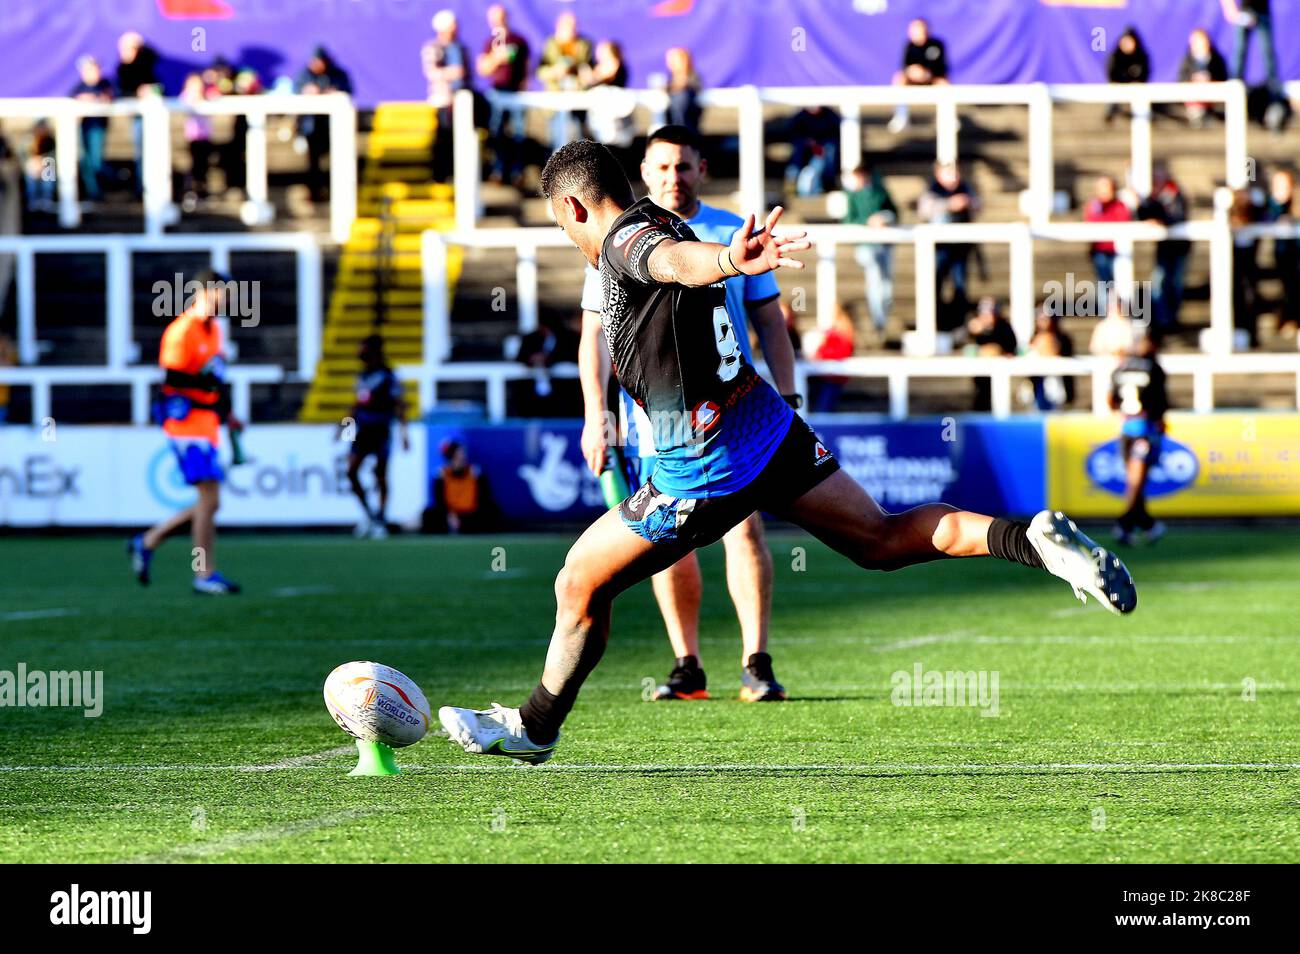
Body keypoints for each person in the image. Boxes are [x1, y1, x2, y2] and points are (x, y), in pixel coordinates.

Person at [437, 138, 1138, 765]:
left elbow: (674, 263)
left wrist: (723, 260)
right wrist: (722, 260)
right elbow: (680, 265)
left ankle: (536, 726)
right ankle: (1031, 540)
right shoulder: (664, 222)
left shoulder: (629, 240)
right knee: (882, 538)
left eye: (562, 224)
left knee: (578, 582)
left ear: (572, 206)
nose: (568, 237)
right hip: (765, 426)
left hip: (703, 462)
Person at [577, 125, 800, 702]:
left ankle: (756, 660)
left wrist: (790, 393)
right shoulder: (615, 239)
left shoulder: (733, 230)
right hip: (657, 417)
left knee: (744, 528)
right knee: (663, 540)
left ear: (702, 169)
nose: (673, 177)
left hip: (730, 410)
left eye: (683, 166)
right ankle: (687, 664)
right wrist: (594, 414)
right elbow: (594, 336)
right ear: (644, 174)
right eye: (662, 168)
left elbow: (770, 321)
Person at [127, 270, 243, 594]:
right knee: (210, 499)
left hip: (207, 424)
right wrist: (205, 386)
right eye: (225, 293)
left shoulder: (213, 330)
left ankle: (148, 540)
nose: (229, 300)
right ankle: (203, 573)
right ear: (206, 292)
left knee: (210, 502)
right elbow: (173, 379)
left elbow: (214, 380)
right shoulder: (182, 330)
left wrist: (227, 413)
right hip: (186, 425)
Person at [338, 335, 409, 539]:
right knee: (351, 472)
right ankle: (370, 514)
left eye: (363, 347)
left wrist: (404, 434)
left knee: (380, 475)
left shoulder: (388, 375)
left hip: (381, 430)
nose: (359, 351)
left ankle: (381, 519)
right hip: (363, 431)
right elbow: (357, 404)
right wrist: (344, 427)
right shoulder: (362, 376)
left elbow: (399, 405)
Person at [1109, 333, 1169, 546]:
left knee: (1135, 482)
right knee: (1136, 483)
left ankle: (1146, 525)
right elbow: (1161, 401)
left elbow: (1112, 400)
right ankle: (1125, 524)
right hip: (1144, 429)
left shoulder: (1120, 368)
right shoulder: (1153, 368)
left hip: (1126, 428)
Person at [919, 160, 980, 329]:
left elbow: (978, 206)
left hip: (960, 247)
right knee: (935, 284)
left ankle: (958, 323)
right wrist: (949, 205)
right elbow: (924, 209)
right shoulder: (932, 191)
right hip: (940, 247)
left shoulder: (966, 189)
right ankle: (936, 321)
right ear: (939, 174)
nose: (954, 177)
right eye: (949, 173)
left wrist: (968, 202)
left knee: (960, 285)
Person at [843, 162, 898, 338]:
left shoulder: (880, 192)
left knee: (887, 285)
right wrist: (867, 222)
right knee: (875, 281)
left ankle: (883, 319)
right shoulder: (853, 196)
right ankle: (878, 321)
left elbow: (894, 212)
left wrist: (883, 218)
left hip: (884, 244)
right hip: (866, 244)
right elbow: (848, 221)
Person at [476, 4, 530, 186]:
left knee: (518, 133)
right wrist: (496, 58)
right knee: (496, 132)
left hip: (516, 93)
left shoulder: (518, 40)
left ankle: (518, 173)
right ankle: (498, 171)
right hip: (498, 92)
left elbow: (526, 68)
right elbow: (483, 69)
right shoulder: (489, 43)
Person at [1137, 164, 1190, 332]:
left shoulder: (1174, 195)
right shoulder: (1154, 196)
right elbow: (1143, 213)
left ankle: (1169, 319)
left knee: (1174, 283)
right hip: (1165, 248)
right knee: (1160, 282)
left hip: (1179, 247)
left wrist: (1162, 221)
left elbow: (1177, 217)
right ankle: (1162, 319)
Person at [296, 45, 352, 201]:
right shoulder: (305, 75)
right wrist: (306, 91)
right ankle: (315, 192)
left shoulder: (337, 74)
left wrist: (332, 91)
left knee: (336, 160)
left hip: (332, 126)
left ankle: (335, 192)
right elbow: (297, 90)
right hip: (311, 125)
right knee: (313, 161)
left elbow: (348, 91)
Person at [424, 11, 469, 184]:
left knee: (457, 137)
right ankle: (439, 175)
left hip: (461, 101)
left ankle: (455, 173)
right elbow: (432, 72)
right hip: (443, 99)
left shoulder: (460, 48)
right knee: (443, 136)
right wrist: (453, 73)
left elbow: (465, 74)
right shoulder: (434, 48)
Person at [114, 32, 161, 197]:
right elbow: (122, 91)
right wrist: (136, 93)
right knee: (141, 151)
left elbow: (159, 88)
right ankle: (142, 188)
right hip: (137, 117)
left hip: (154, 117)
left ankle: (153, 188)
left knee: (153, 152)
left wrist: (150, 91)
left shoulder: (148, 65)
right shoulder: (122, 69)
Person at [537, 12, 593, 148]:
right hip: (556, 101)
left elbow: (588, 71)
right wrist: (555, 72)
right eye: (568, 26)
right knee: (557, 141)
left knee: (578, 140)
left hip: (577, 101)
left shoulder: (584, 44)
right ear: (558, 26)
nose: (572, 29)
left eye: (574, 26)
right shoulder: (550, 45)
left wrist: (579, 80)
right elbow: (541, 71)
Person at [955, 296, 1017, 411]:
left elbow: (1011, 347)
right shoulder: (973, 327)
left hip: (999, 373)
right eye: (983, 314)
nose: (986, 317)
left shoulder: (1004, 327)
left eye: (989, 313)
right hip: (980, 375)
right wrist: (969, 332)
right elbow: (957, 345)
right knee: (981, 397)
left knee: (996, 399)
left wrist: (996, 350)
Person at [888, 18, 949, 134]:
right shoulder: (909, 46)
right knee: (899, 79)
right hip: (913, 80)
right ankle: (901, 116)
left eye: (918, 29)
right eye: (913, 29)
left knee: (943, 83)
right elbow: (905, 67)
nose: (915, 32)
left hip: (932, 79)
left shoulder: (937, 45)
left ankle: (946, 117)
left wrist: (927, 74)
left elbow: (942, 67)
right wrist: (913, 72)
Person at [1084, 174, 1131, 314]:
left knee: (1121, 285)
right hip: (1100, 251)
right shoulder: (1094, 206)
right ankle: (1107, 315)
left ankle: (1121, 314)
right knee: (1104, 285)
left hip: (1118, 252)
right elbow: (1092, 224)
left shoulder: (1120, 206)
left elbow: (1123, 222)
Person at [71, 56, 112, 202]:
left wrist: (95, 98)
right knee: (86, 160)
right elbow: (71, 100)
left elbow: (111, 96)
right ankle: (93, 192)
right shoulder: (79, 86)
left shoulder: (105, 84)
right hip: (85, 127)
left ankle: (109, 182)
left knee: (96, 161)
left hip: (98, 127)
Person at [1265, 168, 1299, 337]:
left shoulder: (1297, 203)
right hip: (1284, 253)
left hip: (1297, 253)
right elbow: (1266, 218)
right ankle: (1288, 320)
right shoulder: (1272, 205)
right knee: (1288, 287)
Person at [1221, 0, 1280, 92]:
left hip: (1261, 11)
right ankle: (1234, 85)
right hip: (1244, 12)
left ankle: (1274, 88)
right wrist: (1230, 9)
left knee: (1267, 52)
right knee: (1239, 51)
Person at [807, 305, 856, 412]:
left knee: (823, 409)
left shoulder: (841, 334)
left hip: (833, 376)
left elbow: (840, 354)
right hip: (827, 376)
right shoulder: (835, 333)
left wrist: (821, 355)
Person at [784, 105, 840, 196]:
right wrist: (808, 141)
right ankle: (792, 181)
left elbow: (836, 129)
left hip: (822, 146)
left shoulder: (829, 115)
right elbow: (794, 132)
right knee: (797, 155)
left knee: (829, 151)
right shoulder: (800, 117)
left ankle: (829, 182)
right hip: (806, 146)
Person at [1026, 309, 1075, 411]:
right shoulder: (1033, 338)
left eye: (1046, 319)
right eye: (1040, 319)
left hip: (1055, 383)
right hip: (1037, 383)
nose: (1043, 322)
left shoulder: (1062, 338)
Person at [1229, 188, 1261, 346]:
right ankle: (1239, 333)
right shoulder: (1229, 217)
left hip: (1249, 263)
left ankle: (1252, 335)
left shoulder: (1256, 214)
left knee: (1250, 296)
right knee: (1236, 297)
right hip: (1233, 265)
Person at [1179, 28, 1228, 127]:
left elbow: (1223, 78)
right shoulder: (1187, 61)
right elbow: (1182, 78)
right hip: (1193, 100)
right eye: (1196, 42)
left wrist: (1210, 79)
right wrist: (1193, 79)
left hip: (1213, 99)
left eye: (1202, 42)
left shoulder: (1216, 60)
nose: (1199, 45)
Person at [180, 72, 214, 209]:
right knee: (193, 166)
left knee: (203, 166)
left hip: (205, 138)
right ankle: (190, 192)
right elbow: (182, 103)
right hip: (192, 138)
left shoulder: (207, 96)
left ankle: (202, 191)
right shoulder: (185, 97)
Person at [1105, 27, 1150, 123]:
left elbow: (1144, 73)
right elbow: (1112, 73)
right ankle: (1111, 113)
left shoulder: (1141, 57)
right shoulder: (1116, 56)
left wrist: (1137, 81)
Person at [665, 47, 702, 133]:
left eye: (674, 60)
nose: (670, 63)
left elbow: (689, 86)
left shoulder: (693, 76)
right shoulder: (670, 78)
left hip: (687, 127)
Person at [23, 118, 56, 212]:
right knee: (31, 172)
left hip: (46, 164)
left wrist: (42, 161)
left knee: (49, 165)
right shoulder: (29, 139)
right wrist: (33, 161)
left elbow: (53, 155)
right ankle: (33, 202)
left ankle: (47, 201)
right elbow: (23, 154)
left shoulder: (50, 140)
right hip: (32, 164)